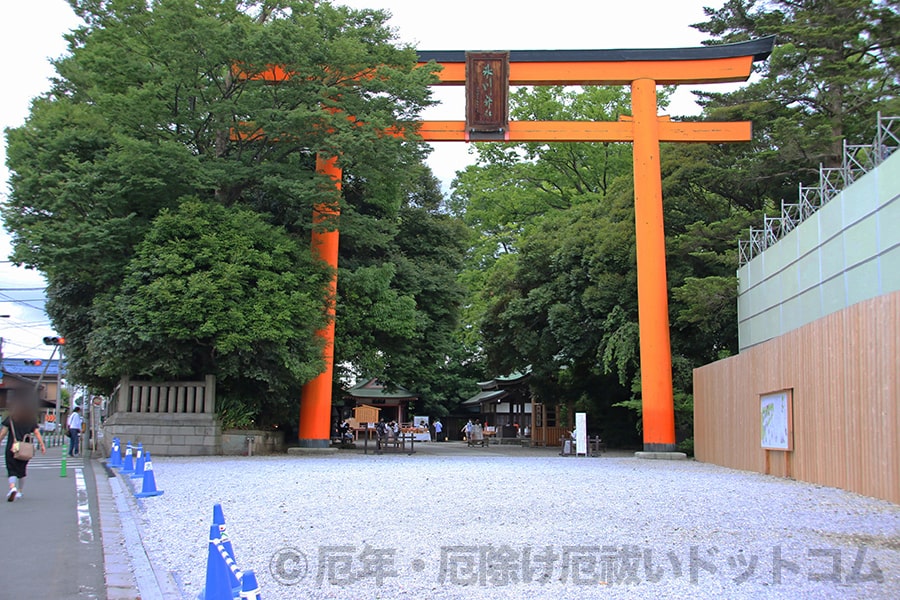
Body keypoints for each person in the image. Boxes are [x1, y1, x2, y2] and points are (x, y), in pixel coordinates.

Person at [0, 399, 47, 502]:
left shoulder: (11, 419)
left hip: (12, 448)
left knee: (11, 469)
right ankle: (20, 491)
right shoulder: (30, 420)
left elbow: (3, 433)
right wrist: (42, 445)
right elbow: (37, 433)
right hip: (25, 449)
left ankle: (12, 487)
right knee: (22, 470)